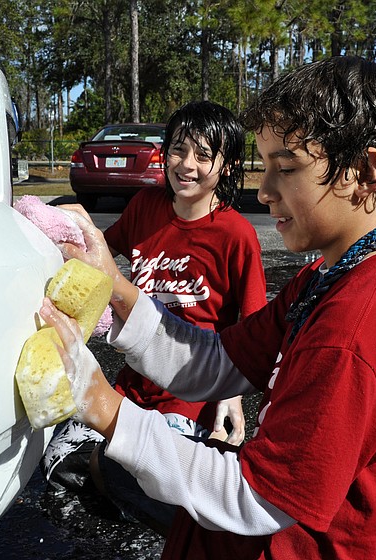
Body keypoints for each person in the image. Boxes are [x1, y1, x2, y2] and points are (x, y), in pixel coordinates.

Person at [42, 56, 376, 560]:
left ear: (363, 172)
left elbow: (256, 498)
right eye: (265, 166)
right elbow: (218, 362)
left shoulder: (356, 331)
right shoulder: (330, 276)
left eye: (287, 168)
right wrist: (116, 287)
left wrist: (102, 404)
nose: (264, 191)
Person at [41, 100, 267, 534]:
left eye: (204, 155)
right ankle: (111, 471)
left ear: (229, 164)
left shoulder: (236, 234)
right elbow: (97, 258)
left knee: (145, 481)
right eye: (179, 150)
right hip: (133, 383)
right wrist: (62, 228)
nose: (187, 165)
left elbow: (254, 330)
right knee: (57, 465)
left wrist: (231, 395)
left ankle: (136, 476)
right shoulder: (145, 206)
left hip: (189, 394)